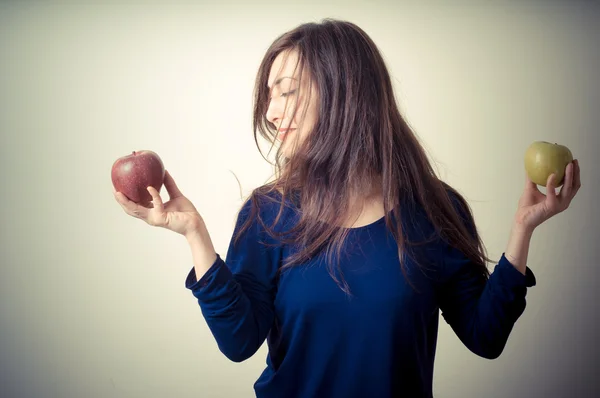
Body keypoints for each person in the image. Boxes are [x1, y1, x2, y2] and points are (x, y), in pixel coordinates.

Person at [114, 18, 581, 398]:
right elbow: (239, 344)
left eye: (287, 90)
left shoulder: (435, 210)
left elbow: (486, 336)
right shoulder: (267, 214)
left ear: (344, 91)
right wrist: (196, 234)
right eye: (269, 95)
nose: (271, 112)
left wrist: (522, 230)